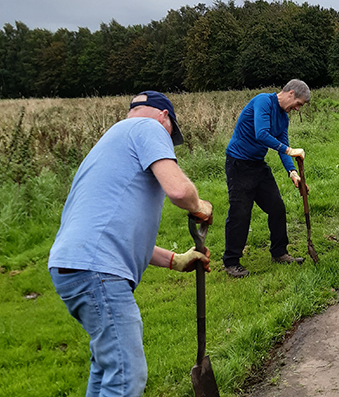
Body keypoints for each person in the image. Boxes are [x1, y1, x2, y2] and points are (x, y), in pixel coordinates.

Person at [48, 91, 214, 397]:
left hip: (73, 266)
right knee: (127, 375)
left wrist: (174, 259)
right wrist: (199, 205)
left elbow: (110, 231)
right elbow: (178, 191)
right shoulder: (149, 128)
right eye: (170, 132)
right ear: (165, 116)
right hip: (97, 271)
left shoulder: (110, 143)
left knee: (106, 370)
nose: (168, 137)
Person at [222, 79, 310, 278]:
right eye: (298, 104)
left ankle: (279, 252)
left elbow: (283, 145)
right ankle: (231, 262)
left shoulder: (283, 118)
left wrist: (292, 172)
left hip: (257, 165)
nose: (297, 109)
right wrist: (289, 150)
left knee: (277, 207)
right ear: (290, 93)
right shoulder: (263, 101)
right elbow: (261, 134)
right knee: (240, 213)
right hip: (238, 164)